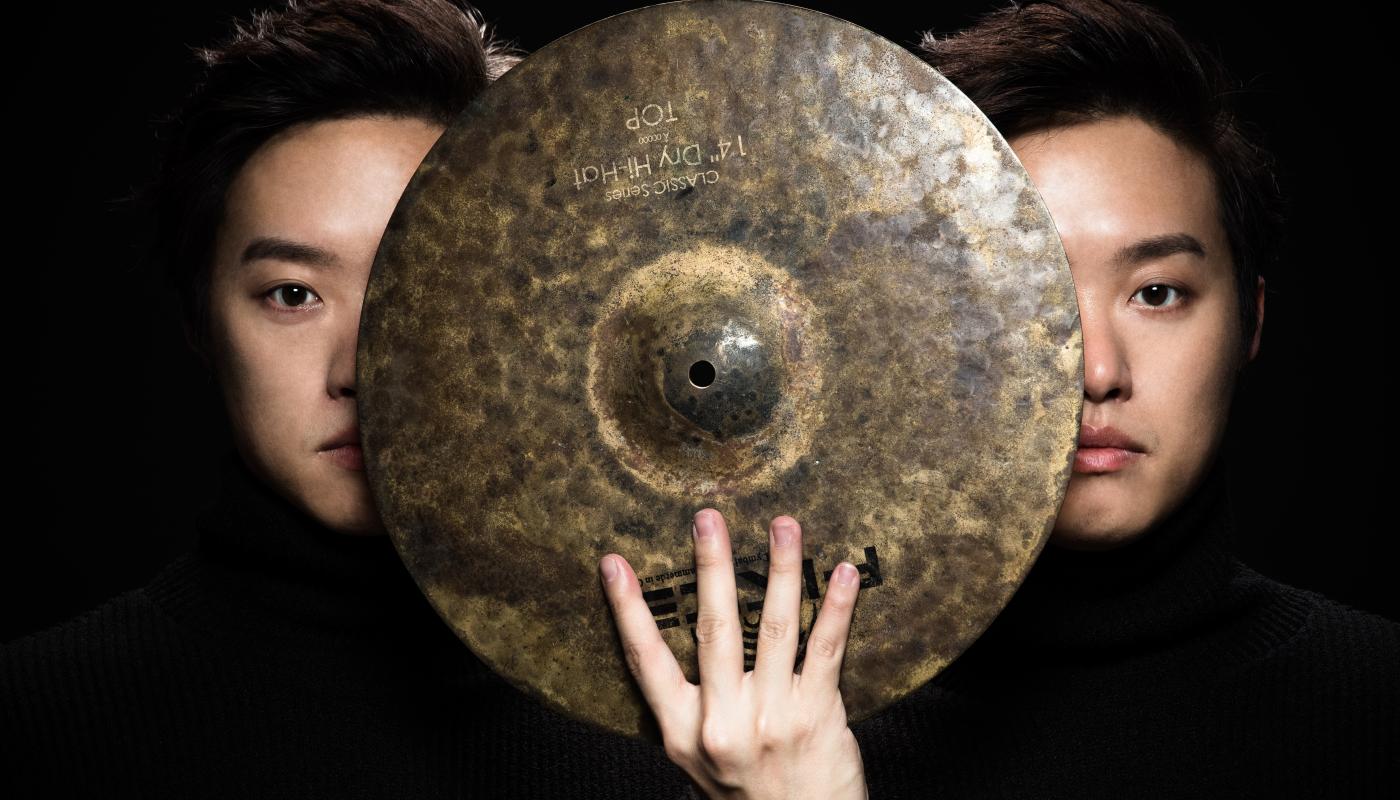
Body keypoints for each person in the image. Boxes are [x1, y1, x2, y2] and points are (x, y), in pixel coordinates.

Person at [599, 1, 1399, 798]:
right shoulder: (743, 736)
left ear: (1250, 320)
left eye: (1156, 292)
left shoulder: (1373, 699)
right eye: (1022, 291)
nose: (1095, 371)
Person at [1, 2, 702, 797]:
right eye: (294, 294)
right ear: (200, 322)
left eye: (430, 279)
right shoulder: (38, 722)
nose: (364, 368)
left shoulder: (729, 713)